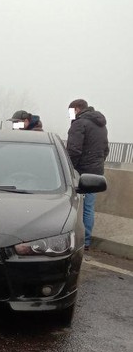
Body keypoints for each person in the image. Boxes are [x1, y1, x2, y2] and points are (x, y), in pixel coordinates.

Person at [66, 99, 110, 251]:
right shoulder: (101, 125)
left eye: (71, 111)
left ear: (77, 109)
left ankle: (74, 240)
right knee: (89, 208)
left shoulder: (79, 124)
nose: (70, 115)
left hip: (81, 172)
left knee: (72, 207)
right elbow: (106, 150)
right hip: (96, 172)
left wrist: (69, 169)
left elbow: (74, 150)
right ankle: (86, 241)